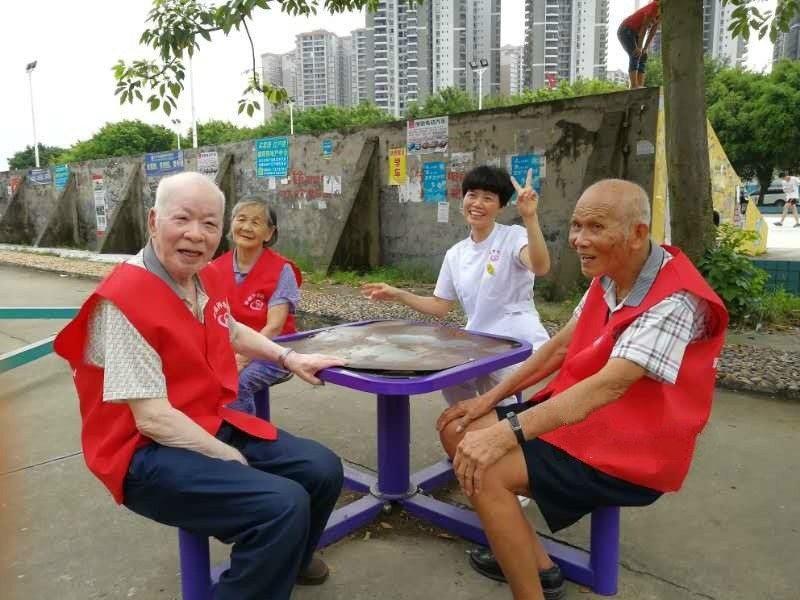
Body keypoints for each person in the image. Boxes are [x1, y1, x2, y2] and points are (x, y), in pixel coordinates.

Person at [53, 172, 347, 600]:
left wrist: (291, 357)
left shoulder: (200, 277)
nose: (196, 234)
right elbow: (152, 419)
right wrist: (229, 457)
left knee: (321, 469)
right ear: (154, 221)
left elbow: (231, 330)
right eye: (182, 219)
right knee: (280, 506)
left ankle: (291, 557)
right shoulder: (123, 300)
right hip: (139, 452)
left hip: (201, 419)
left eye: (209, 224)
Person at [436, 179, 728, 600]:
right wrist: (488, 400)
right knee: (456, 425)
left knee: (488, 465)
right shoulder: (608, 275)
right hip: (585, 421)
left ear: (638, 233)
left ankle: (530, 592)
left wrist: (506, 431)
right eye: (576, 226)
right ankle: (538, 564)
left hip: (635, 448)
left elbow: (606, 388)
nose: (579, 240)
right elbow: (559, 346)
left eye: (594, 228)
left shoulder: (676, 299)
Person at [362, 165, 551, 408]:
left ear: (501, 206)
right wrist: (399, 294)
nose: (477, 203)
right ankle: (468, 424)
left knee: (493, 380)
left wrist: (530, 217)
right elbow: (440, 306)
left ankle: (502, 433)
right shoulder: (456, 253)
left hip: (518, 340)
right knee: (449, 377)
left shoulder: (513, 237)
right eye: (472, 195)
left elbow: (540, 266)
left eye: (488, 198)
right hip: (479, 340)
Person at [205, 195, 302, 415]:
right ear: (231, 224)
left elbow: (274, 327)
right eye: (241, 219)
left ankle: (247, 442)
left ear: (269, 233)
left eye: (256, 222)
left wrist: (240, 359)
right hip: (231, 350)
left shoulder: (281, 269)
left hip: (275, 350)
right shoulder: (214, 268)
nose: (247, 227)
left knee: (234, 388)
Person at [618, 1, 661, 88]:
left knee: (643, 56)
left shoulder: (661, 14)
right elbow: (644, 28)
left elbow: (652, 32)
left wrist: (644, 49)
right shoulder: (654, 7)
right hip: (626, 29)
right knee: (636, 53)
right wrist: (640, 47)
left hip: (636, 33)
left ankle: (640, 86)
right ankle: (634, 86)